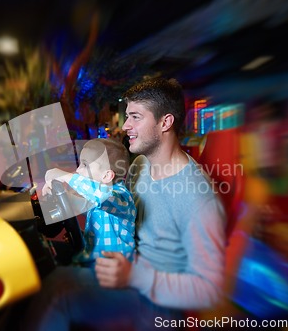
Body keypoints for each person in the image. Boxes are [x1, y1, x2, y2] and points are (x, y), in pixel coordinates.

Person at [23, 78, 226, 330]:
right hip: (123, 266)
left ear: (166, 122)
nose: (125, 125)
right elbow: (118, 205)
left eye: (135, 117)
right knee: (42, 263)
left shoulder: (197, 197)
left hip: (151, 301)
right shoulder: (140, 164)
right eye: (127, 116)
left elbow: (210, 290)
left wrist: (136, 276)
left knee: (59, 289)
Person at [42, 138, 136, 268]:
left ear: (107, 176)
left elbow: (103, 195)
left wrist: (64, 176)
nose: (78, 170)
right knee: (45, 252)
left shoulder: (121, 197)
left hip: (114, 269)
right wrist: (58, 194)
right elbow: (81, 204)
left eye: (85, 165)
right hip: (92, 257)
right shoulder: (96, 197)